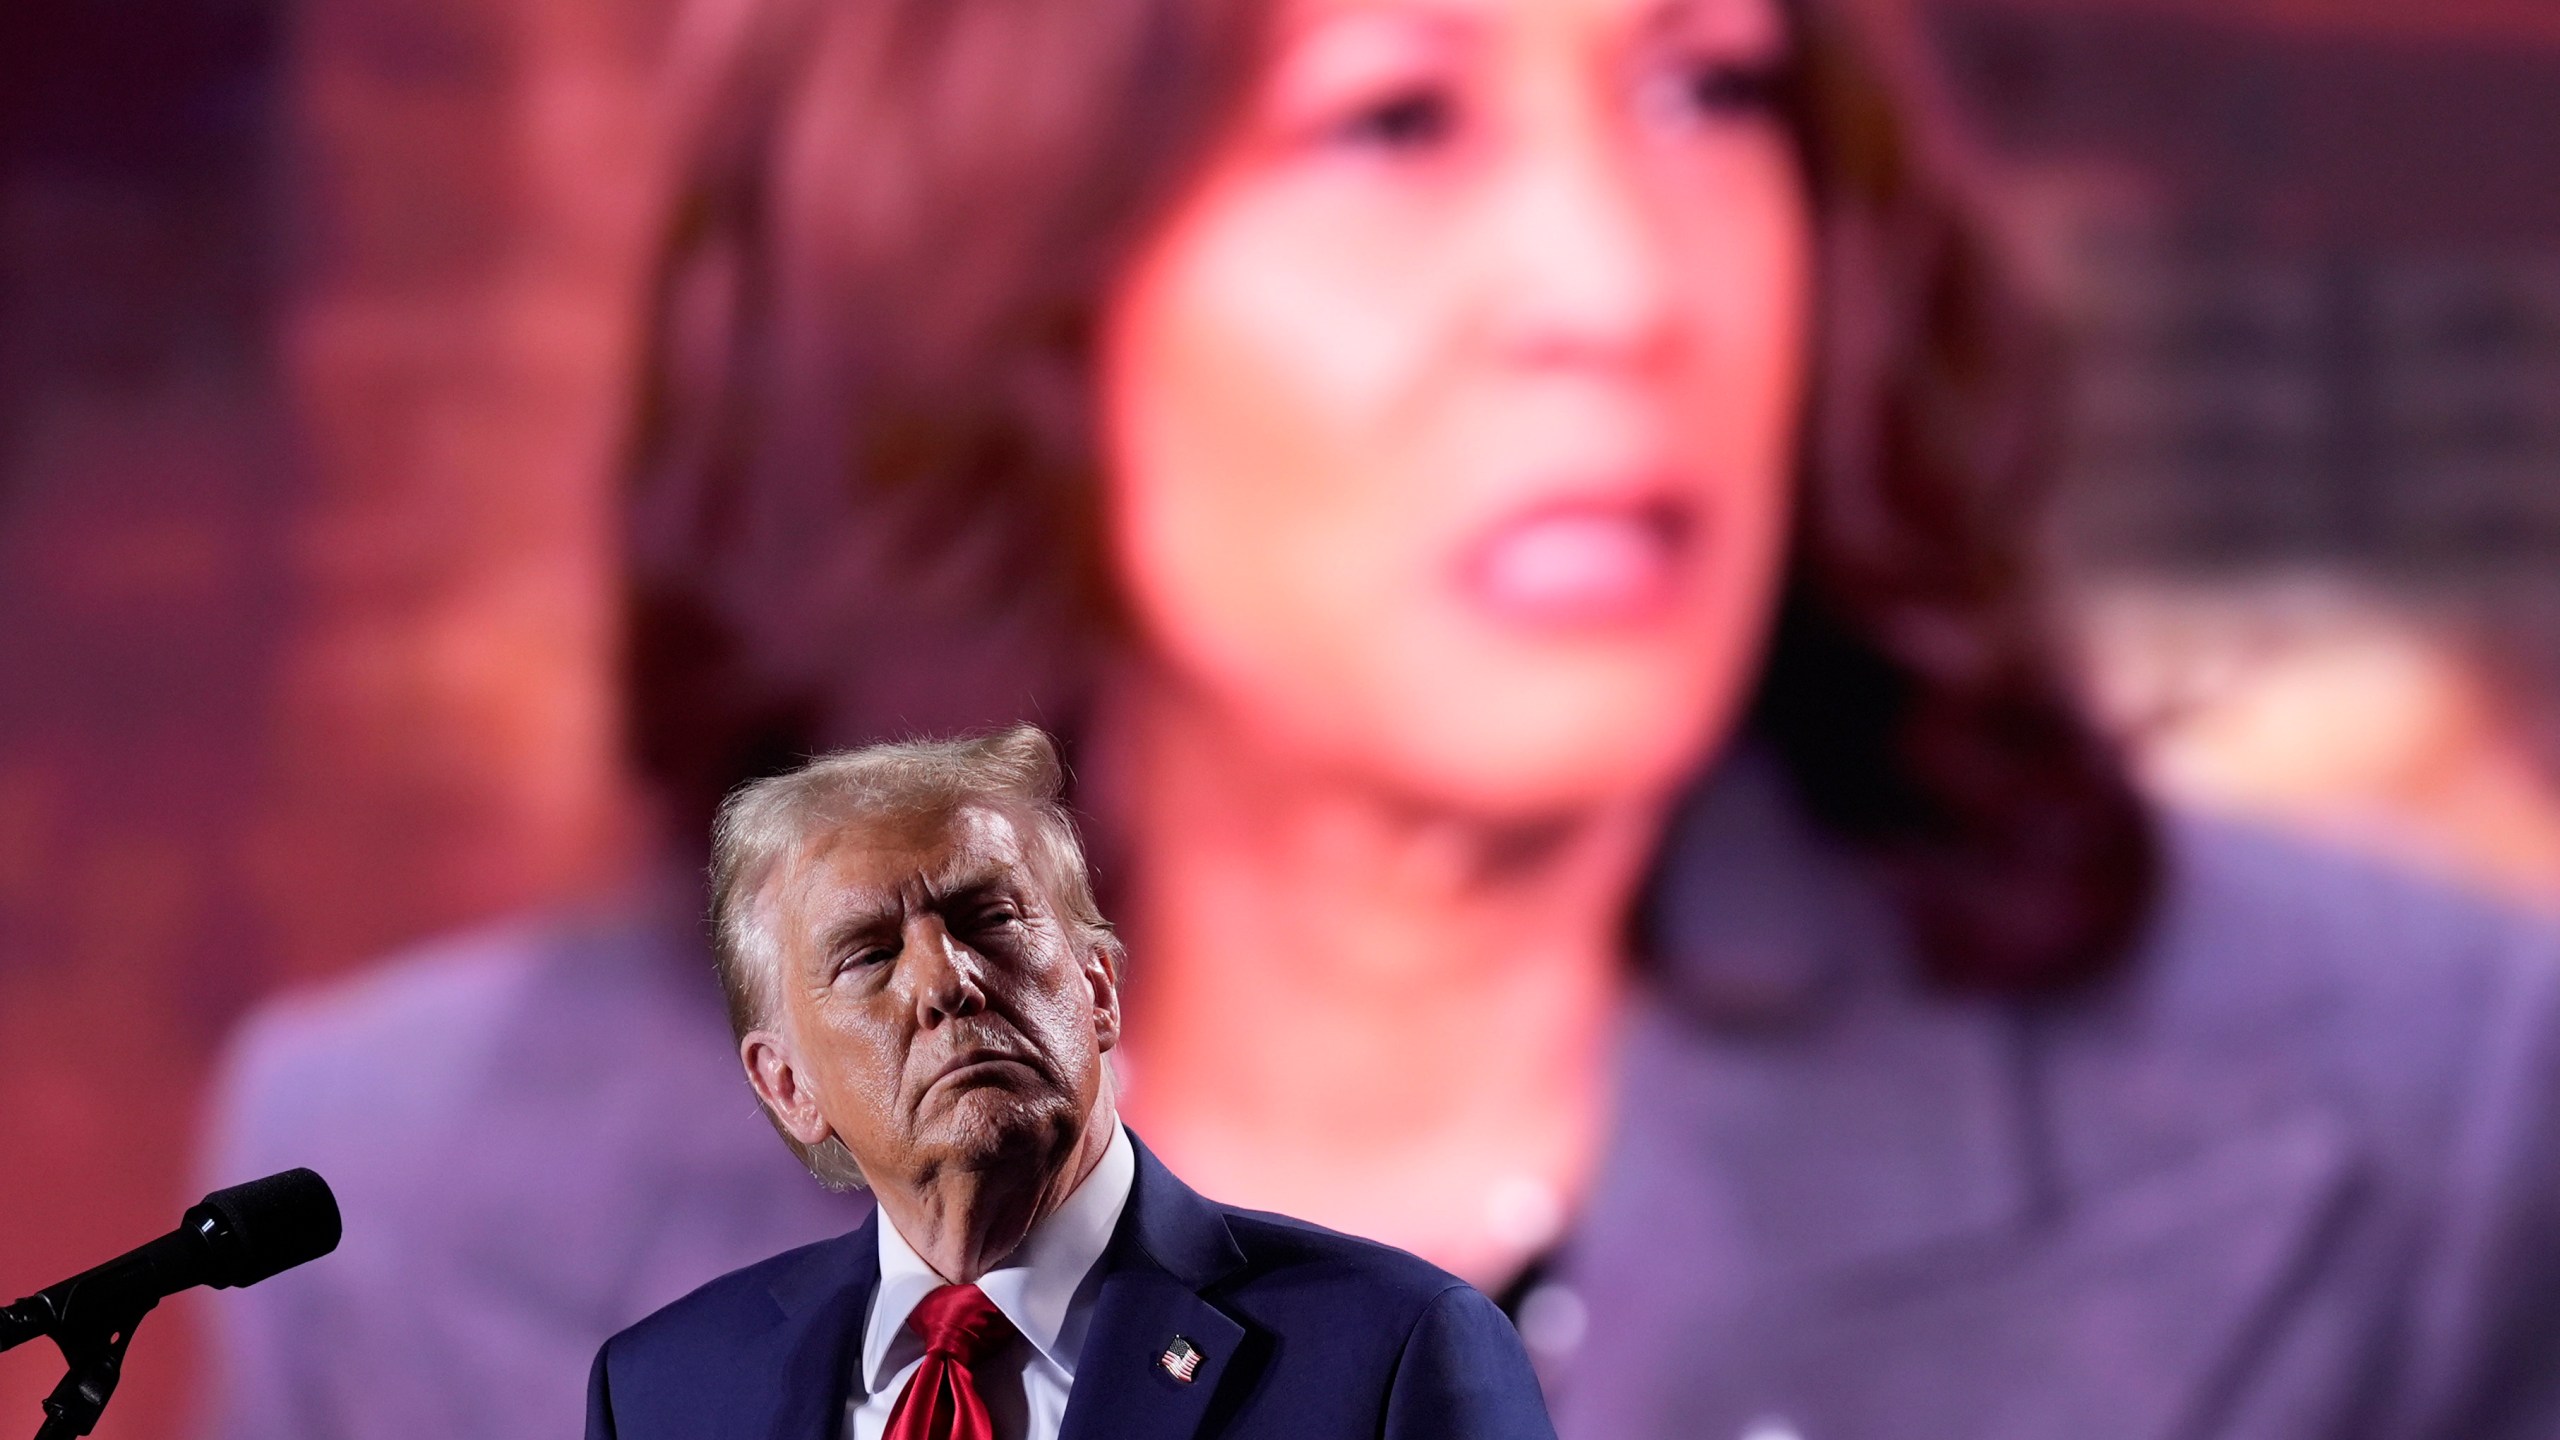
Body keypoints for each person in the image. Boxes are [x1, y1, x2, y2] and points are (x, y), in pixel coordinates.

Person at [206, 0, 2560, 1435]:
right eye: (1391, 120)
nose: (1610, 286)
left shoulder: (2409, 1110)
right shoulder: (415, 1216)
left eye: (1702, 83)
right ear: (985, 272)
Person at [585, 726, 1555, 1440]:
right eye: (870, 954)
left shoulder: (1392, 1349)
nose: (945, 981)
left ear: (1095, 989)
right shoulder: (665, 1393)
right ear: (785, 1082)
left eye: (989, 920)